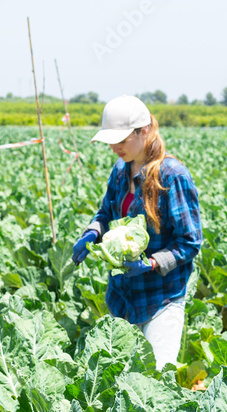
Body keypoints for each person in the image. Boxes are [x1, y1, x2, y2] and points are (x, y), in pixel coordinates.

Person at [73, 95, 203, 370]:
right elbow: (105, 214)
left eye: (121, 140)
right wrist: (92, 233)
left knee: (156, 377)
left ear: (144, 131)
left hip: (161, 298)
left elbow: (190, 242)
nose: (114, 147)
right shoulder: (120, 171)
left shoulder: (173, 176)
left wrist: (152, 264)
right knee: (117, 378)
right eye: (111, 141)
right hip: (121, 297)